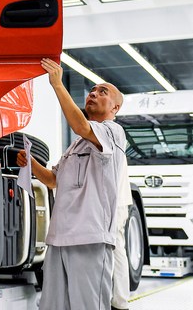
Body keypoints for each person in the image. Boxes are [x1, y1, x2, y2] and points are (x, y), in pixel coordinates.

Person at [18, 57, 126, 310]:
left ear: (116, 107)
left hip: (89, 238)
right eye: (92, 90)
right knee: (54, 306)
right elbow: (53, 181)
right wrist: (31, 163)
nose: (94, 94)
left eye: (103, 92)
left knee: (89, 305)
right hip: (59, 239)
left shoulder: (112, 132)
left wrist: (57, 84)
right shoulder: (76, 145)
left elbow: (79, 125)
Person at [111, 150, 133, 310]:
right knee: (117, 249)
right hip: (117, 202)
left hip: (114, 203)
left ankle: (119, 302)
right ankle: (120, 302)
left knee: (115, 250)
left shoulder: (109, 133)